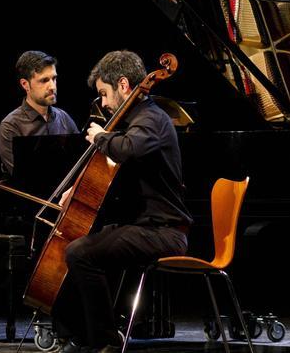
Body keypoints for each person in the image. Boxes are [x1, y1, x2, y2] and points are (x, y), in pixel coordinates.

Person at [52, 50, 193, 353]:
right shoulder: (137, 121)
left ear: (124, 85)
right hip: (145, 227)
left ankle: (105, 340)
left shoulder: (151, 118)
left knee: (81, 253)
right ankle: (81, 334)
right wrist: (77, 190)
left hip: (164, 232)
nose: (103, 103)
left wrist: (101, 137)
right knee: (79, 246)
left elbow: (128, 148)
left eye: (104, 94)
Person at [0, 50, 79, 176]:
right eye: (44, 80)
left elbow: (80, 163)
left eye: (54, 78)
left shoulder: (64, 118)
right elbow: (24, 178)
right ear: (25, 85)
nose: (53, 87)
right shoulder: (10, 127)